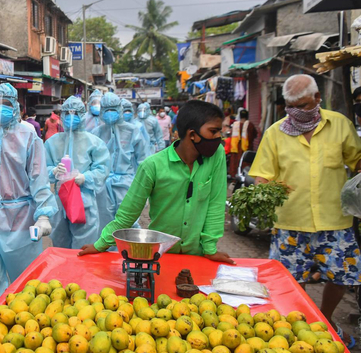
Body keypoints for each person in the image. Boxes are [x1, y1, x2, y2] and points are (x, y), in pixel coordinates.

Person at [249, 74, 361, 344]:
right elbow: (262, 174)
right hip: (290, 221)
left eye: (303, 105)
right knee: (287, 280)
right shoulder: (275, 132)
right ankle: (299, 322)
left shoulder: (340, 125)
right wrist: (261, 190)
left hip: (335, 220)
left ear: (317, 99)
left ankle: (324, 318)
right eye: (291, 106)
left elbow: (356, 161)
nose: (296, 112)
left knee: (344, 276)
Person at [80, 100, 233, 265]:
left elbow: (216, 202)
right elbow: (129, 213)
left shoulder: (216, 155)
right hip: (160, 255)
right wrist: (100, 244)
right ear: (192, 134)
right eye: (213, 131)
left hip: (197, 255)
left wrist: (210, 248)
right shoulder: (152, 166)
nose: (219, 137)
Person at [0, 84, 58, 326]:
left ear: (16, 107)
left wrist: (44, 214)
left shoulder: (29, 137)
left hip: (21, 219)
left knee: (25, 283)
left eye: (6, 105)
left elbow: (38, 178)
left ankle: (25, 329)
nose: (0, 110)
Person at [45, 96, 110, 249]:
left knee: (83, 247)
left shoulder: (93, 142)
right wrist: (53, 171)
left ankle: (81, 273)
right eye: (67, 113)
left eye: (75, 113)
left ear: (82, 115)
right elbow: (41, 168)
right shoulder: (52, 143)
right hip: (60, 201)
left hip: (84, 200)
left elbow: (102, 168)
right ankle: (63, 274)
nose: (71, 117)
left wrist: (85, 177)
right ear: (61, 116)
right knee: (60, 246)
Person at [93, 93, 151, 230]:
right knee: (104, 222)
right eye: (106, 110)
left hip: (127, 183)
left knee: (128, 221)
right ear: (102, 111)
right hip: (102, 183)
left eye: (113, 109)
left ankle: (130, 250)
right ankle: (109, 251)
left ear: (119, 109)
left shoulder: (132, 131)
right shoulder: (97, 132)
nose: (110, 113)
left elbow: (143, 160)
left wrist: (144, 187)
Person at [228, 109, 257, 177]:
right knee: (245, 164)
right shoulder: (250, 125)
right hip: (246, 149)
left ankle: (234, 177)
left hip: (235, 150)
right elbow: (254, 135)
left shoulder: (235, 125)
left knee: (236, 164)